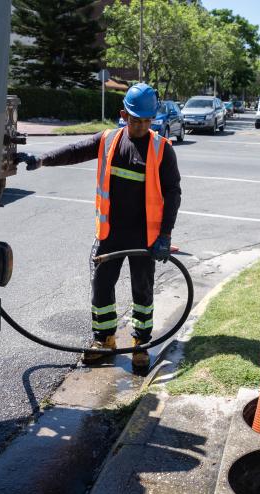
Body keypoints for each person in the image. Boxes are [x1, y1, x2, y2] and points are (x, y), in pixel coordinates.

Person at [15, 83, 182, 369]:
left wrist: (165, 235)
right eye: (135, 120)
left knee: (143, 291)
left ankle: (141, 343)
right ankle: (104, 340)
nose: (141, 126)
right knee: (102, 287)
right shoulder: (108, 140)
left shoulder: (162, 149)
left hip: (145, 236)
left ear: (152, 118)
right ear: (123, 115)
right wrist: (42, 159)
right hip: (111, 233)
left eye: (146, 120)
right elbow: (75, 150)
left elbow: (173, 193)